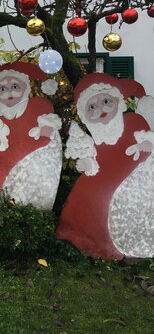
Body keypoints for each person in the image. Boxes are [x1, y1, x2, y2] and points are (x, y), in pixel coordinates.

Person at [57, 72, 154, 260]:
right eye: (91, 107)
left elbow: (148, 140)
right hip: (104, 178)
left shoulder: (134, 121)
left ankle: (135, 242)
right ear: (85, 116)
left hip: (135, 181)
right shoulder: (96, 140)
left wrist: (146, 145)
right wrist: (86, 163)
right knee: (87, 196)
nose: (100, 109)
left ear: (119, 102)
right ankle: (92, 240)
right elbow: (88, 159)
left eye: (106, 101)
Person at [0, 62, 62, 210]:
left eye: (15, 87)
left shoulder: (38, 105)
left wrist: (44, 134)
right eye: (3, 89)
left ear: (25, 89)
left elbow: (46, 136)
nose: (10, 93)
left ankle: (16, 209)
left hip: (31, 154)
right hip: (7, 155)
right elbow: (1, 140)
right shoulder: (3, 118)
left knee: (14, 185)